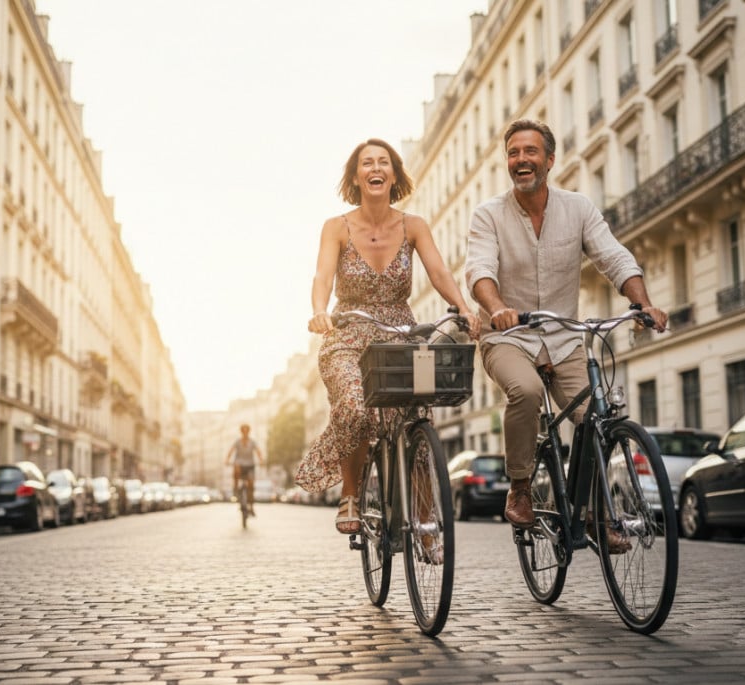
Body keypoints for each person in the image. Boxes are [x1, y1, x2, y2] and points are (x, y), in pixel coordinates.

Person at [465, 118, 667, 552]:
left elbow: (612, 255)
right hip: (508, 338)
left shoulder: (577, 208)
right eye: (514, 153)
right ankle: (520, 486)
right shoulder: (488, 215)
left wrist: (643, 303)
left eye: (530, 151)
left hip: (564, 336)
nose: (521, 159)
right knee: (525, 390)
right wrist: (497, 308)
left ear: (550, 160)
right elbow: (478, 270)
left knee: (595, 416)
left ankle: (593, 513)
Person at [297, 137, 480, 535]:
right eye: (367, 163)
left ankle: (427, 516)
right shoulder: (336, 227)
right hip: (346, 332)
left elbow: (439, 272)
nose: (375, 168)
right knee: (354, 408)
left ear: (394, 174)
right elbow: (322, 277)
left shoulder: (413, 225)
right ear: (356, 176)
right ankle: (350, 494)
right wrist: (318, 311)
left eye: (384, 162)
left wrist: (463, 308)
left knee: (416, 417)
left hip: (400, 332)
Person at [225, 424, 264, 515]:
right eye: (243, 431)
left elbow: (258, 451)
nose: (245, 432)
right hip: (239, 464)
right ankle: (235, 489)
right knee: (236, 467)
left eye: (247, 431)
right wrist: (227, 460)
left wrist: (261, 460)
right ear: (241, 431)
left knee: (250, 485)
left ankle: (251, 506)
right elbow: (231, 451)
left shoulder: (252, 442)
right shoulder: (237, 442)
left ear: (249, 431)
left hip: (250, 465)